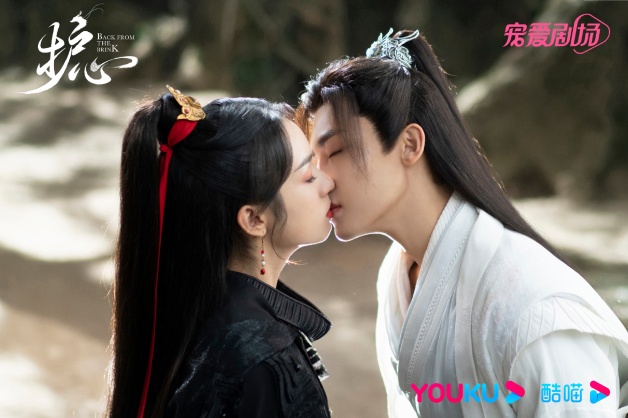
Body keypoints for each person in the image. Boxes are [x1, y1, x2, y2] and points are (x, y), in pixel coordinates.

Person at [297, 29, 628, 417]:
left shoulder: (533, 309)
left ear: (409, 145)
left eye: (335, 151)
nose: (321, 179)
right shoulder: (397, 274)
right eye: (314, 161)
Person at [106, 86, 335, 418]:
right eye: (309, 175)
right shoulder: (264, 363)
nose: (327, 183)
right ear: (254, 219)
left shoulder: (191, 307)